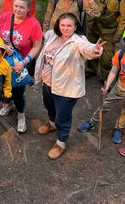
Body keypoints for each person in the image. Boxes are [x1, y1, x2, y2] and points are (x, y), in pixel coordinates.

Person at [35, 13, 104, 159]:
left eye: (69, 25)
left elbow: (87, 48)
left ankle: (61, 142)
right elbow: (41, 34)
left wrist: (95, 50)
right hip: (48, 82)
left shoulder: (78, 41)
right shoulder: (53, 35)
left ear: (75, 26)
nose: (65, 28)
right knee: (50, 107)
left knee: (63, 116)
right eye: (63, 25)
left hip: (66, 88)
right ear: (58, 25)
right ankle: (52, 124)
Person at [0, 0, 42, 132]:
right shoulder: (5, 17)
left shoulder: (33, 24)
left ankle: (21, 114)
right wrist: (2, 44)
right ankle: (8, 104)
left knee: (18, 90)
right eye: (16, 6)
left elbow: (37, 45)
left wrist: (25, 62)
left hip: (21, 62)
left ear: (28, 9)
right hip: (2, 60)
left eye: (22, 7)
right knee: (3, 85)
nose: (18, 9)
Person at [77, 28, 125, 144]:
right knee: (106, 105)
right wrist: (107, 86)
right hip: (121, 87)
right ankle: (92, 122)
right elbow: (113, 71)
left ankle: (119, 128)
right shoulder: (120, 54)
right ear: (124, 43)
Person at [85, 0, 125, 80]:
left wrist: (118, 35)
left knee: (107, 57)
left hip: (109, 30)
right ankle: (90, 70)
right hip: (93, 26)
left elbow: (124, 18)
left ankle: (106, 78)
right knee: (91, 49)